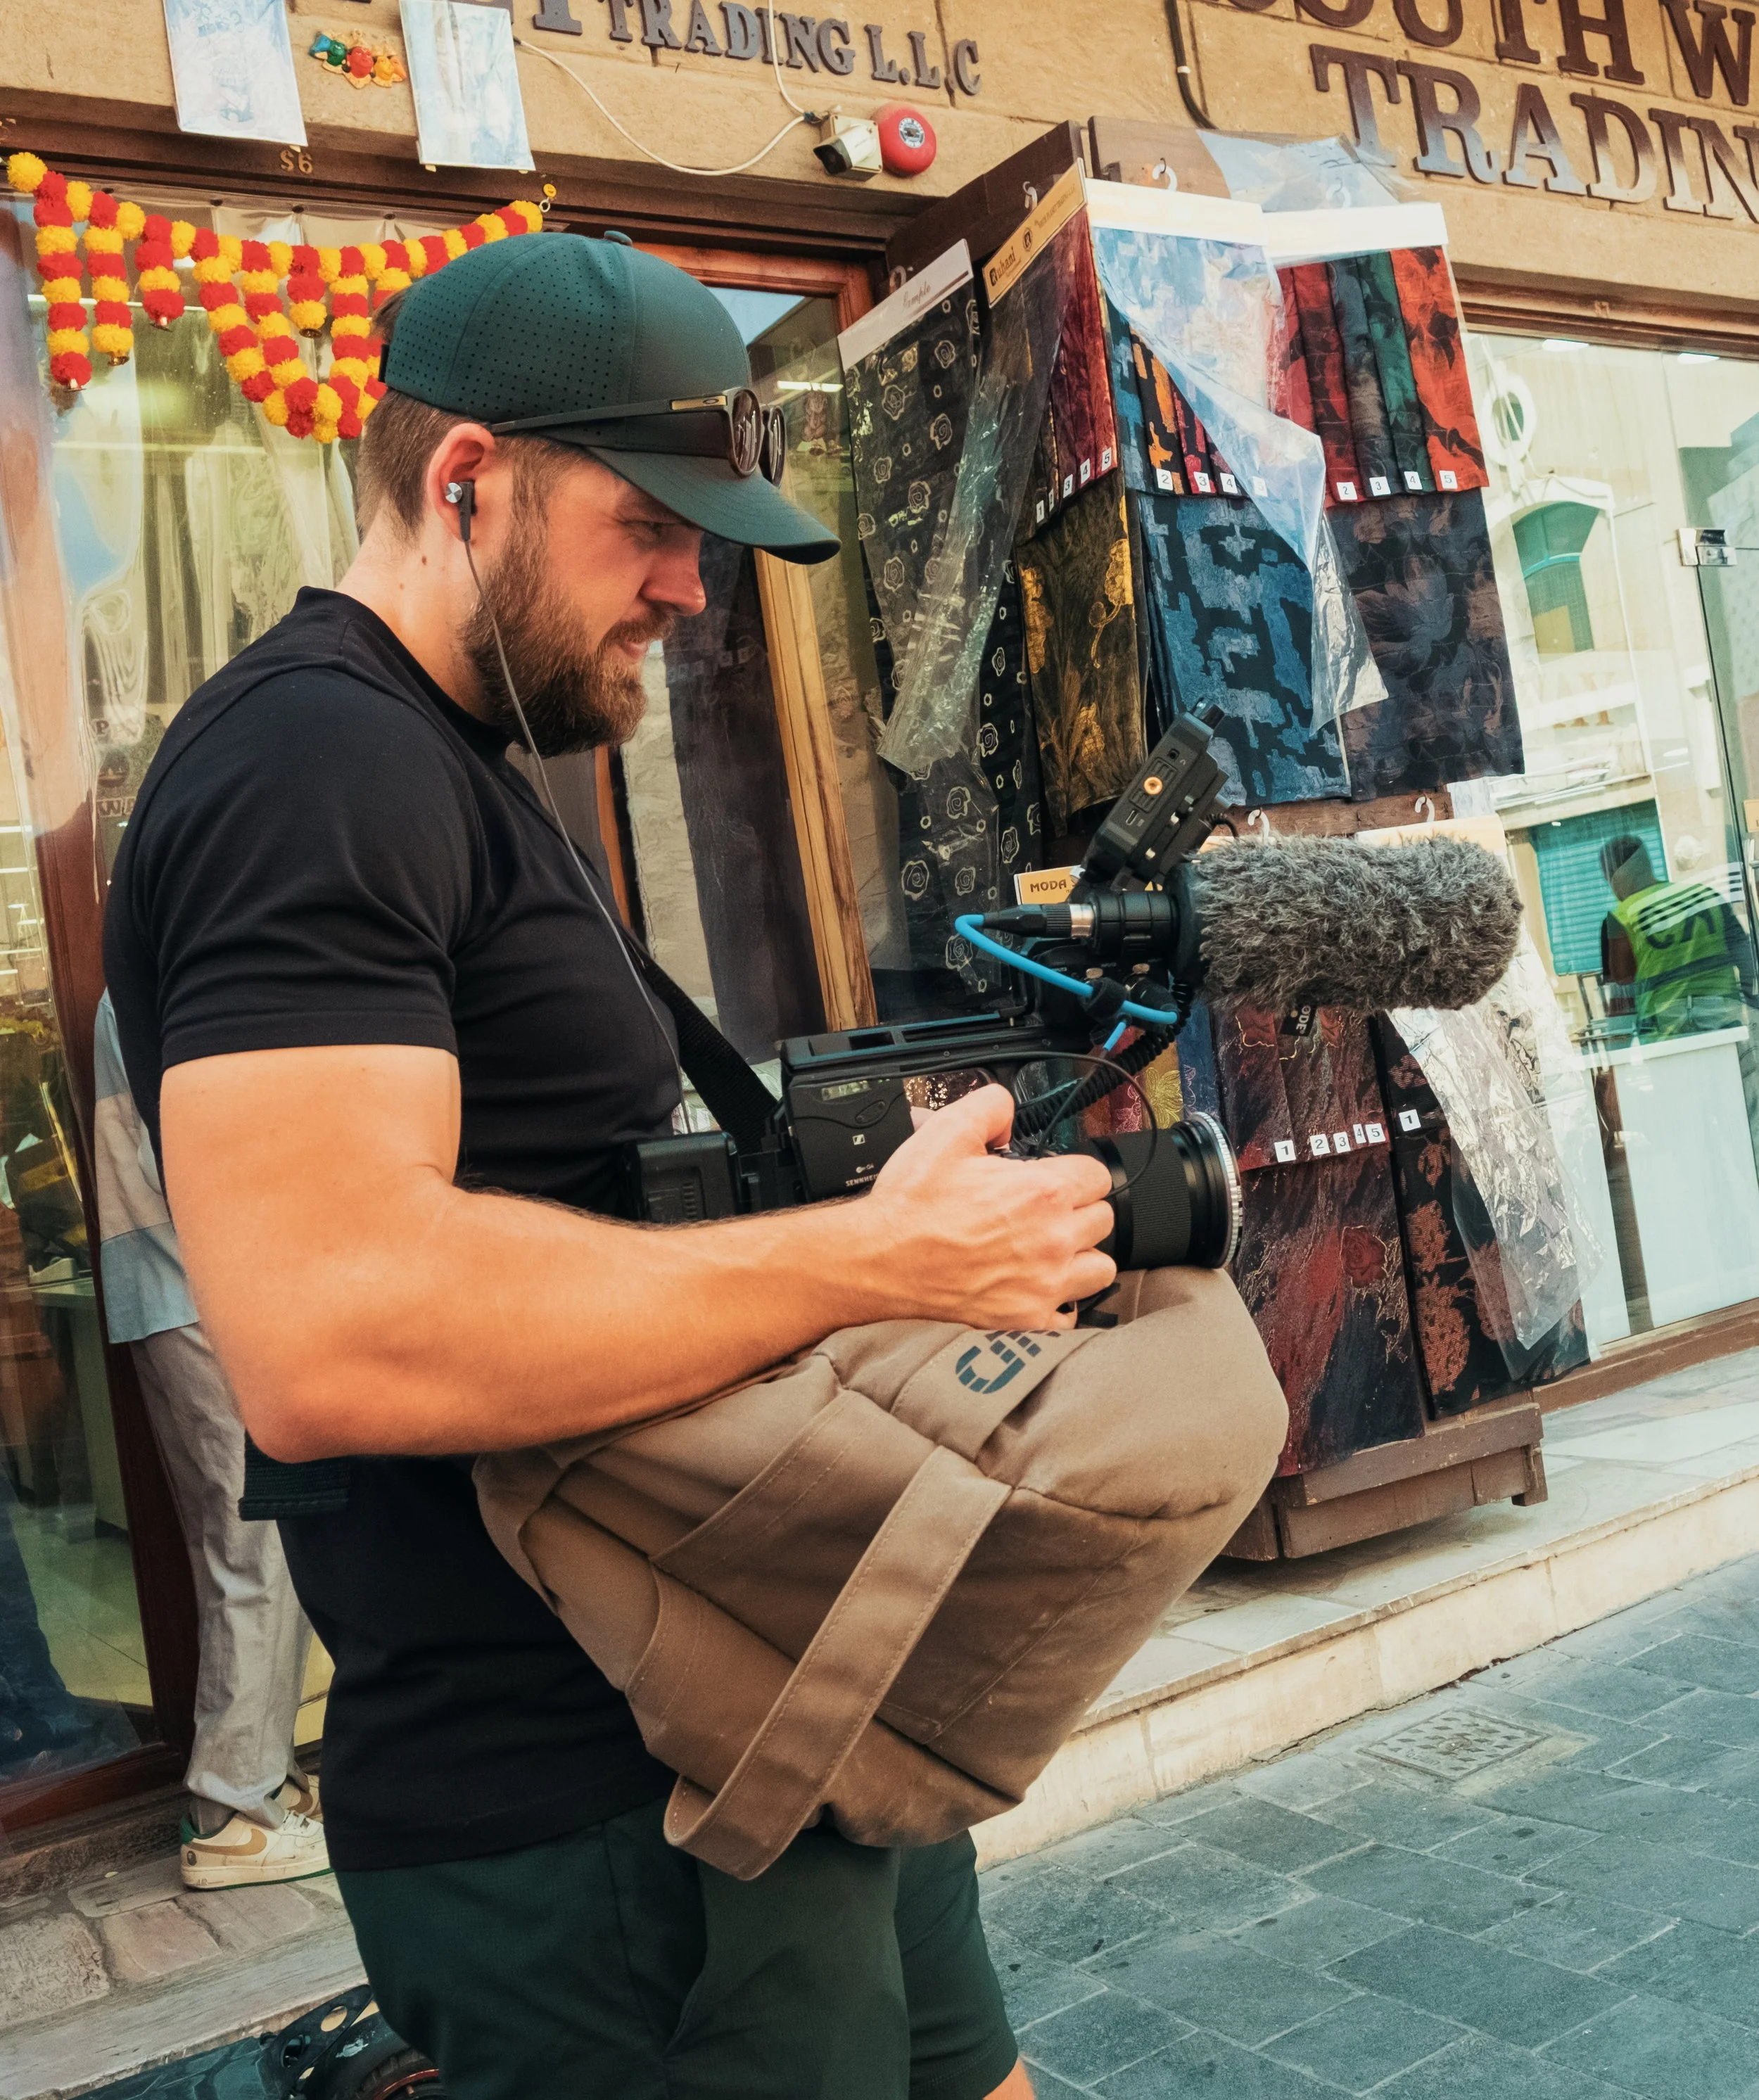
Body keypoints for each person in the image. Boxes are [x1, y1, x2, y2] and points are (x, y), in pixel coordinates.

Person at [103, 233, 1120, 2100]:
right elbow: (331, 1334)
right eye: (645, 524)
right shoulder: (312, 762)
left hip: (765, 1703)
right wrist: (876, 1260)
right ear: (463, 479)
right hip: (588, 1809)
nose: (689, 587)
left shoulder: (451, 755)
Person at [91, 990, 325, 1886]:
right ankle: (235, 1811)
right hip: (203, 1289)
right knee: (256, 1544)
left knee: (242, 1544)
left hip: (178, 1288)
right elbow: (206, 1150)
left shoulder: (145, 972)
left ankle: (263, 1776)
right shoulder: (173, 970)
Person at [1599, 834, 1749, 1040]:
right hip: (1723, 1019)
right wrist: (1753, 1000)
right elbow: (1745, 953)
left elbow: (1621, 995)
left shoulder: (1619, 918)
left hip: (1664, 1032)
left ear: (1615, 878)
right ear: (1646, 864)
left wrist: (1615, 1047)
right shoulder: (1706, 895)